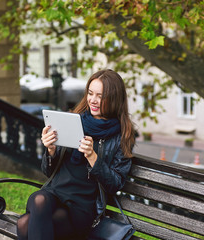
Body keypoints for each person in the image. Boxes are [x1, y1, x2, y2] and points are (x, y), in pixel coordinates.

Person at [16, 69, 136, 240]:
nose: (93, 100)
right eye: (90, 93)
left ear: (114, 99)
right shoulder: (74, 120)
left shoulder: (121, 136)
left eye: (100, 96)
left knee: (25, 225)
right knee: (39, 200)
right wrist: (50, 150)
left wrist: (93, 157)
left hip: (81, 207)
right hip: (55, 194)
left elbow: (115, 184)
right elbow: (48, 172)